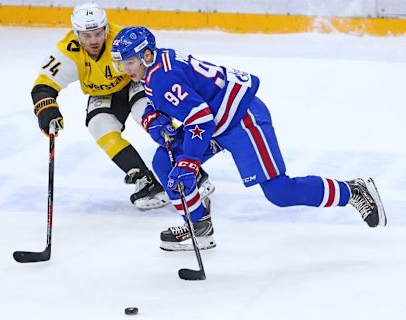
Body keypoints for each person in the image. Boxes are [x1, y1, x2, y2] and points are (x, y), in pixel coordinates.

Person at [111, 26, 387, 251]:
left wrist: (190, 162)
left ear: (146, 55)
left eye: (130, 63)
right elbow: (176, 102)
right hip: (215, 120)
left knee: (279, 192)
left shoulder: (162, 76)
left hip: (241, 118)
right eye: (122, 64)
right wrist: (153, 118)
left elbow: (199, 118)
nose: (126, 70)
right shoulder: (156, 66)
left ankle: (353, 190)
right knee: (164, 160)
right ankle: (199, 227)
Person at [31, 3, 214, 210]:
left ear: (106, 29)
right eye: (86, 35)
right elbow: (42, 85)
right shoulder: (67, 50)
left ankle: (190, 171)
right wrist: (47, 109)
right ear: (76, 33)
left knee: (146, 116)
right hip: (103, 93)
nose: (93, 41)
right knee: (99, 125)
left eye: (98, 33)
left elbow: (150, 61)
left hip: (134, 81)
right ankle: (145, 179)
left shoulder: (122, 40)